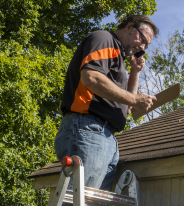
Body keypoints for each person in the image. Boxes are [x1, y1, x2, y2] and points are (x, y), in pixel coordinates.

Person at [54, 15, 159, 193]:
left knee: (89, 201)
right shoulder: (104, 39)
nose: (142, 46)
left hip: (105, 137)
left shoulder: (119, 59)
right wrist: (134, 99)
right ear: (129, 27)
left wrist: (135, 72)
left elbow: (127, 110)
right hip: (88, 129)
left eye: (146, 45)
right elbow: (90, 77)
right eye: (142, 38)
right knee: (79, 200)